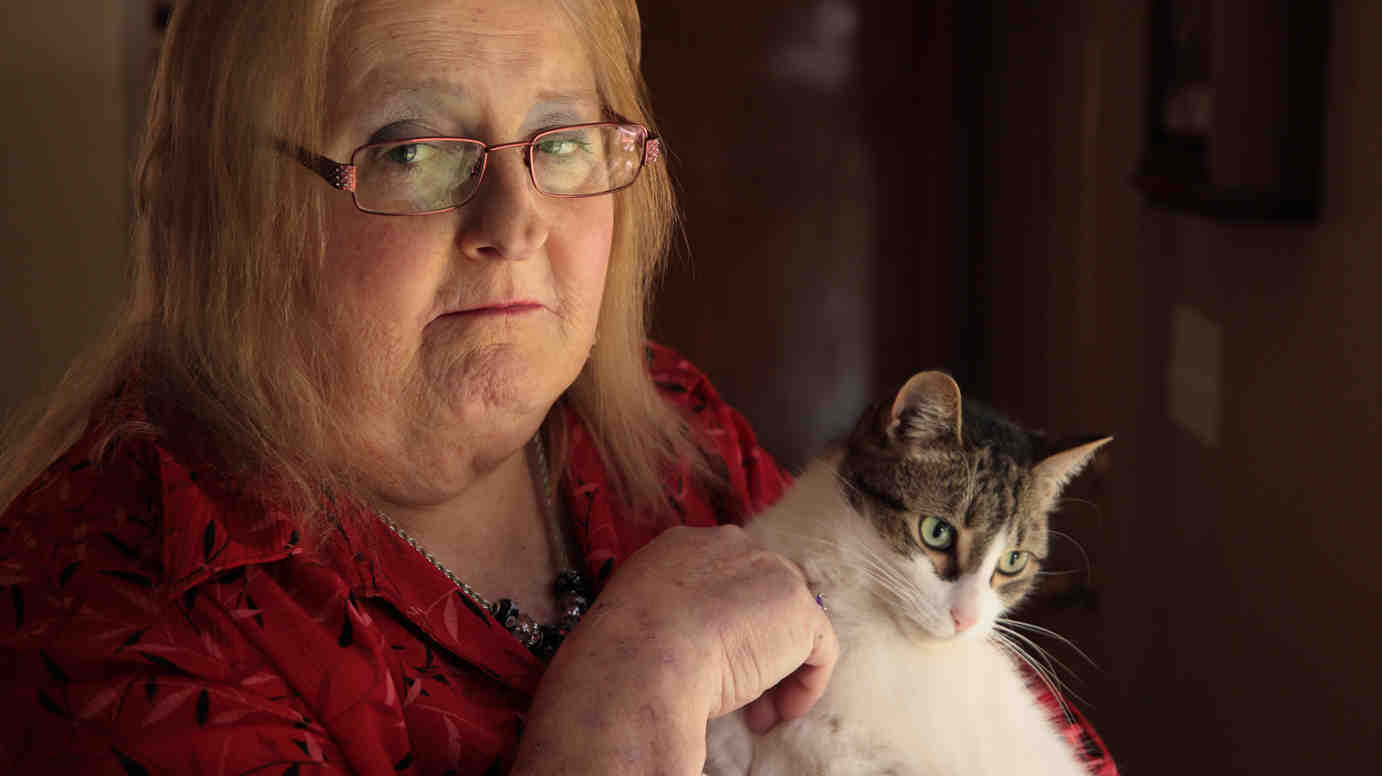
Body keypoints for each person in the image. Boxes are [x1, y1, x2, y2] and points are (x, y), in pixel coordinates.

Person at [0, 1, 1117, 774]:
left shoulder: (661, 430)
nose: (514, 221)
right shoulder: (100, 620)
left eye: (564, 138)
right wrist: (622, 704)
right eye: (411, 147)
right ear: (237, 203)